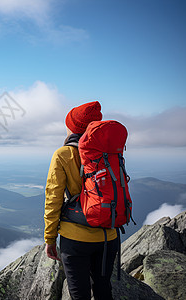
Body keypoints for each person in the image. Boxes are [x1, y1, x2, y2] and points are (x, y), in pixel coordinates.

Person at [44, 101, 119, 300]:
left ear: (73, 127)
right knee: (104, 290)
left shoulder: (63, 154)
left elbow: (53, 198)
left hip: (75, 238)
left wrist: (50, 239)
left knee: (79, 295)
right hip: (108, 235)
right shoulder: (110, 152)